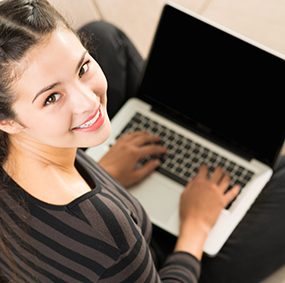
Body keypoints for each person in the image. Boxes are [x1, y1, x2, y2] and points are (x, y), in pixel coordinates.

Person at [0, 1, 283, 282]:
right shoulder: (113, 238)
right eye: (51, 97)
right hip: (159, 265)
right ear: (7, 121)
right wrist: (195, 227)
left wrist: (104, 173)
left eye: (83, 67)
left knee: (105, 37)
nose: (90, 102)